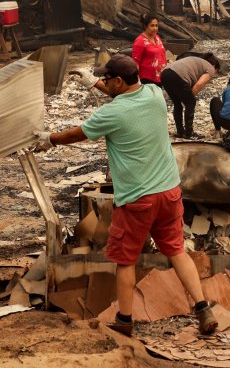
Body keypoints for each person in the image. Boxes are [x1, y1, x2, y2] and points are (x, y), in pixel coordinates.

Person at [31, 54, 217, 337]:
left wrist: (50, 139)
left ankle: (124, 320)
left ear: (118, 80)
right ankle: (203, 308)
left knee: (126, 260)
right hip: (168, 191)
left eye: (107, 79)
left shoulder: (112, 114)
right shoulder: (154, 94)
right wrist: (95, 84)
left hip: (138, 198)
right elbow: (124, 94)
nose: (105, 82)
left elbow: (79, 133)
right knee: (177, 251)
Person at [160, 53, 220, 139]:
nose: (213, 74)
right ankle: (189, 133)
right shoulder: (210, 68)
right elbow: (199, 84)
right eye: (216, 71)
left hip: (165, 74)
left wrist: (186, 98)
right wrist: (189, 99)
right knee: (191, 102)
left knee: (177, 104)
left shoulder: (198, 62)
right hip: (177, 75)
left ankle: (180, 132)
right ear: (214, 66)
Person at [132, 13, 167, 86]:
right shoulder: (140, 41)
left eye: (156, 25)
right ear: (145, 26)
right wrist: (137, 81)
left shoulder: (157, 37)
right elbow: (135, 62)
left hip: (160, 77)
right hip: (147, 79)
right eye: (152, 25)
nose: (155, 28)